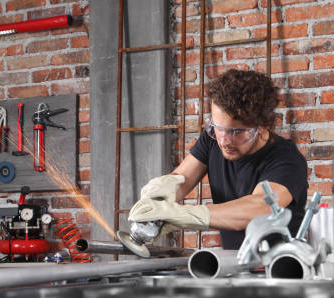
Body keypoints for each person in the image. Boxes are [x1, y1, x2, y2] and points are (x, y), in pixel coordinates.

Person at [128, 69, 309, 250]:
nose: (224, 141)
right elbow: (181, 180)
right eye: (217, 127)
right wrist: (161, 196)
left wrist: (185, 215)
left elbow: (259, 208)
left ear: (263, 126)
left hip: (280, 269)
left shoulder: (287, 159)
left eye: (236, 131)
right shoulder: (212, 139)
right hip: (233, 265)